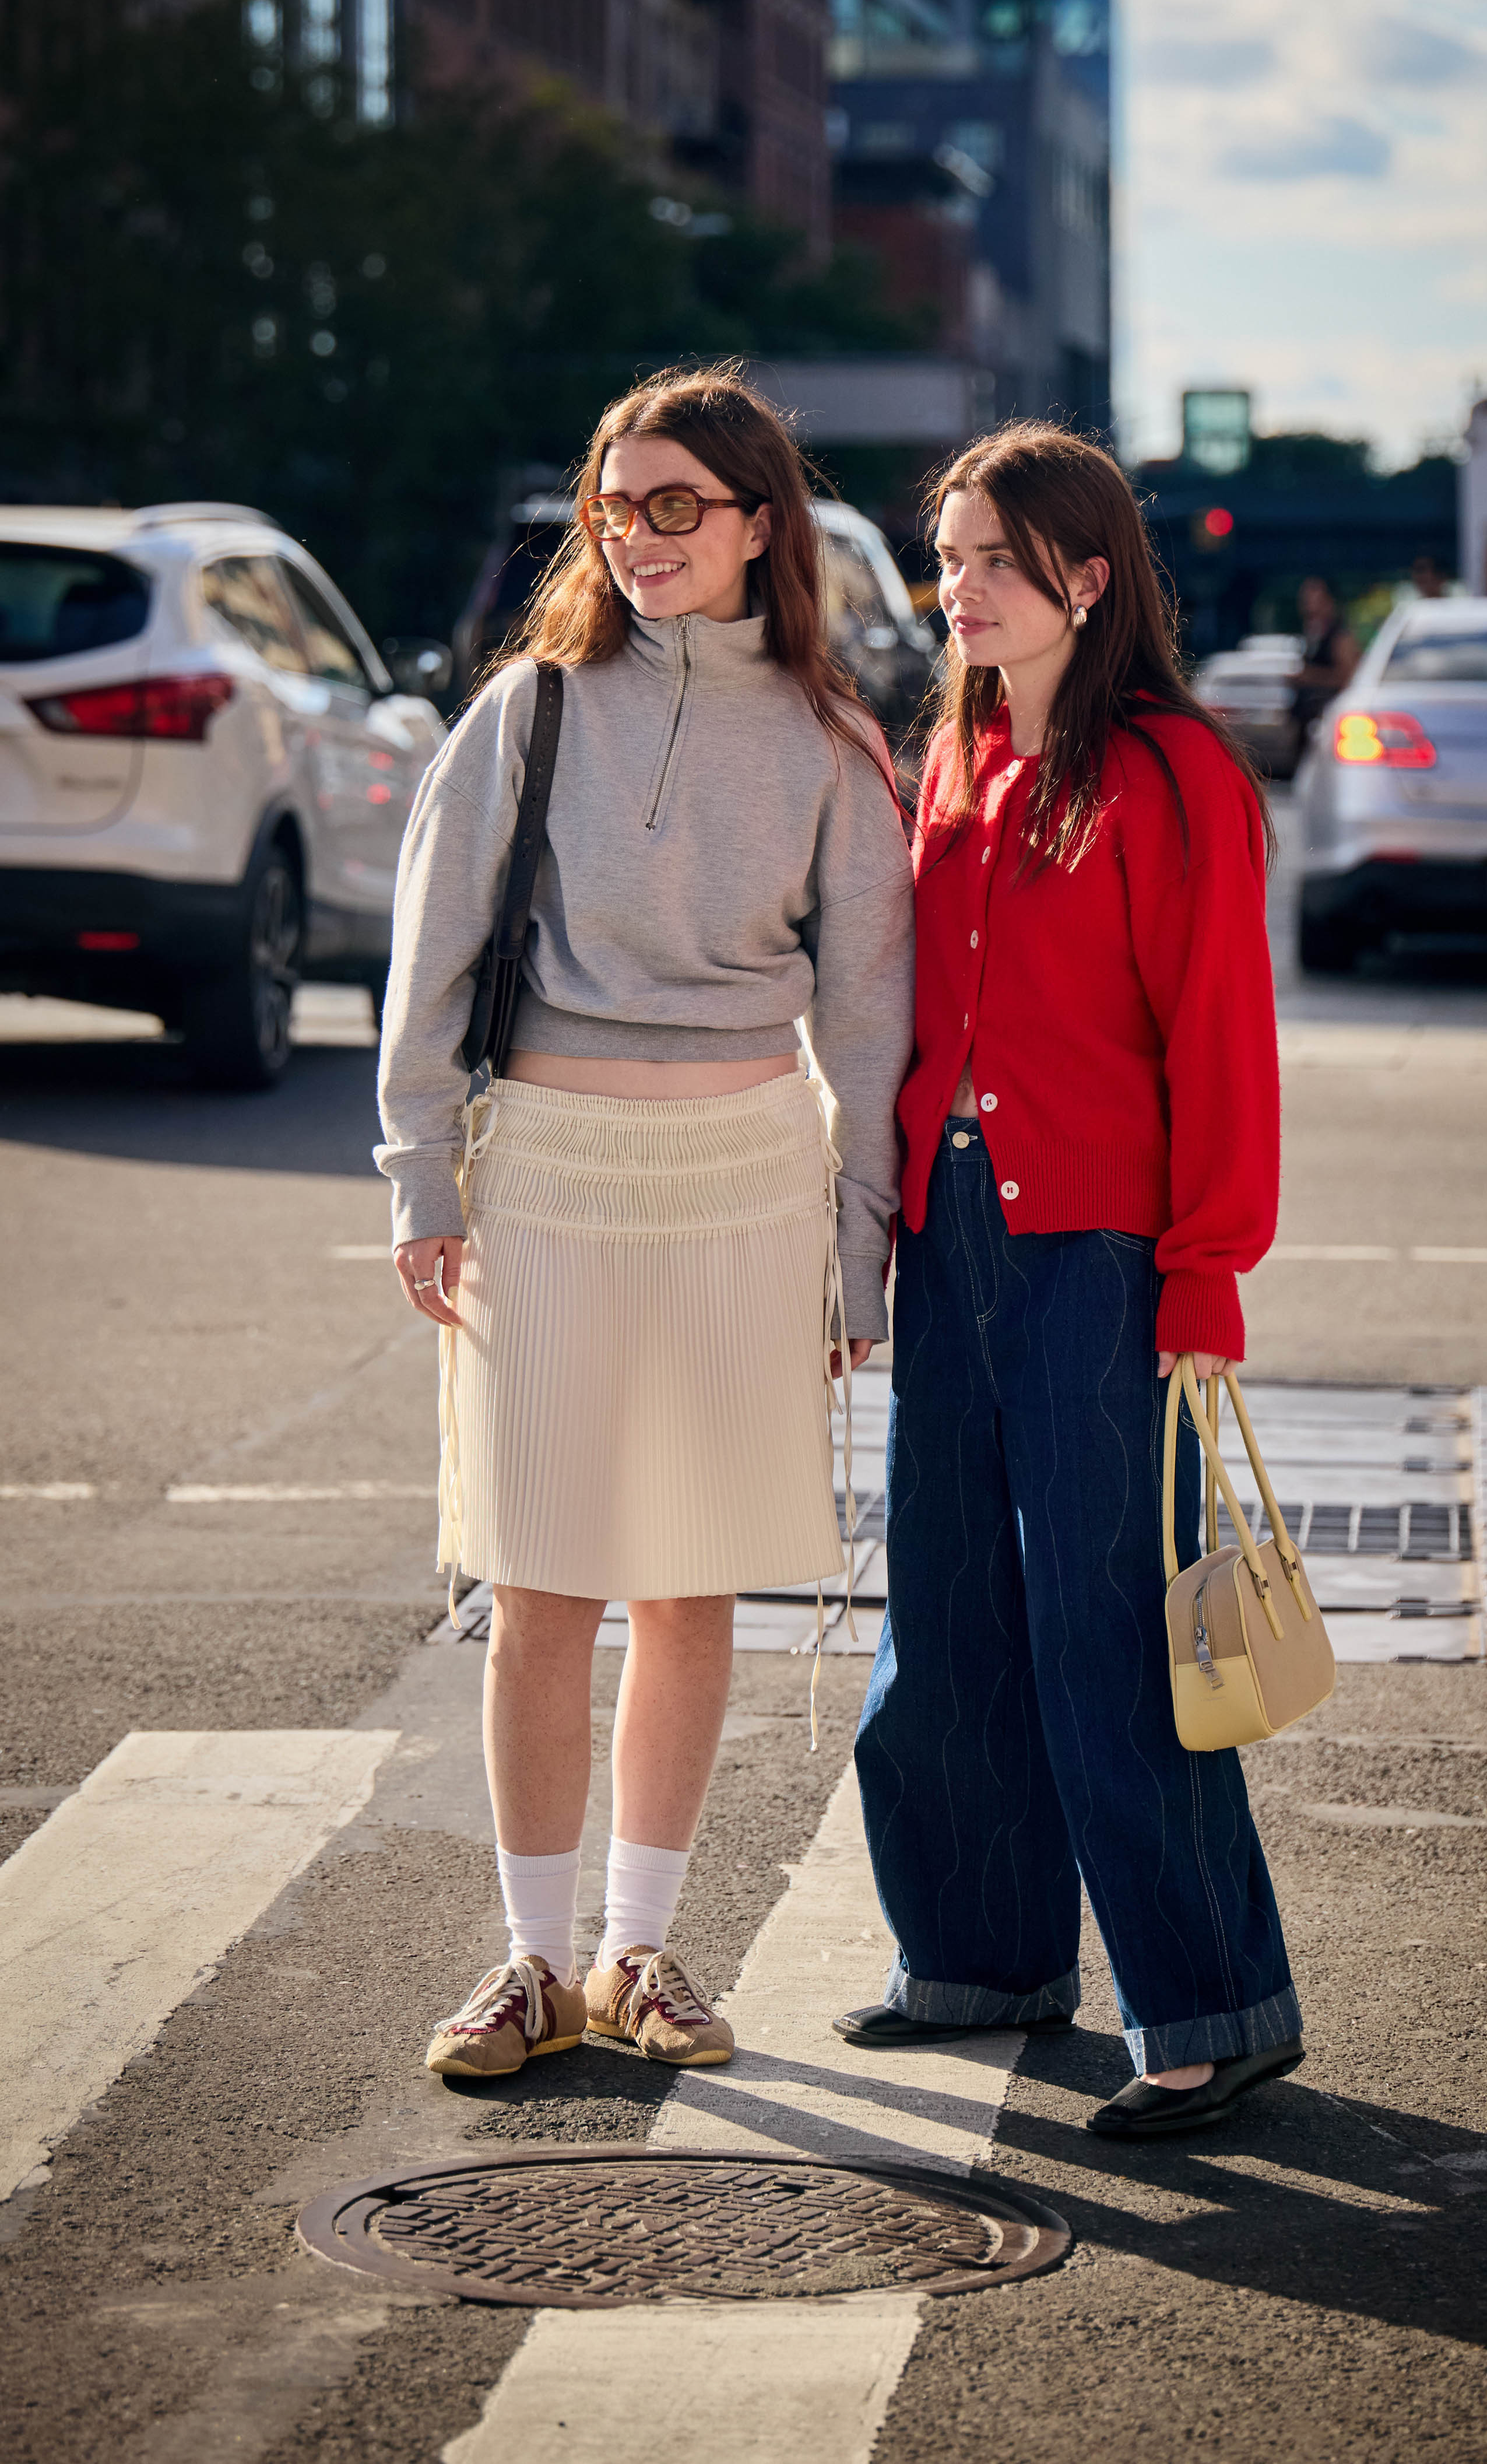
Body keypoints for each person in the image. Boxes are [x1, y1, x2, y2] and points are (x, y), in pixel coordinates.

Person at [375, 367, 914, 2083]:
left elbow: (870, 1019)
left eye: (674, 501)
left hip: (748, 1181)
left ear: (761, 522)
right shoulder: (526, 712)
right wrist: (422, 1178)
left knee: (686, 1587)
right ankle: (527, 1962)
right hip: (545, 1172)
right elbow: (430, 958)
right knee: (538, 1582)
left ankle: (632, 1950)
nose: (636, 531)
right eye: (615, 502)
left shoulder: (830, 742)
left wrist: (857, 1242)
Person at [838, 423, 1303, 2141]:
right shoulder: (952, 757)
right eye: (943, 555)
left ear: (1081, 576)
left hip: (1099, 1247)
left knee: (1108, 1631)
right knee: (945, 1605)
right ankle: (975, 1957)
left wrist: (1203, 1274)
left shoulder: (1172, 775)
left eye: (986, 559)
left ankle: (1206, 2008)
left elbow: (1220, 1048)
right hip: (947, 1230)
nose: (951, 586)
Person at [1289, 575, 1359, 750]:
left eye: (1315, 600)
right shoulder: (1313, 635)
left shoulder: (1340, 637)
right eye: (1305, 601)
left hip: (1328, 724)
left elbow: (1347, 678)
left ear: (1330, 602)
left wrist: (1309, 677)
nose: (1309, 606)